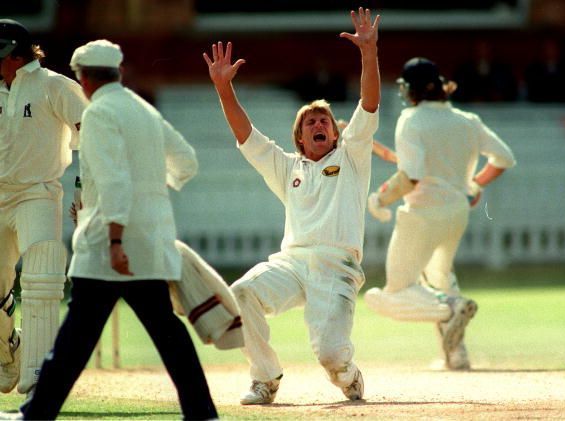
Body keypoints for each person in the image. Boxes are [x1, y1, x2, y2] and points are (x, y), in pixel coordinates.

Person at [17, 39, 218, 420]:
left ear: (85, 78)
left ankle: (36, 414)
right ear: (118, 72)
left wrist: (114, 241)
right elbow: (186, 163)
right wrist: (151, 190)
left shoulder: (98, 113)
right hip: (149, 242)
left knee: (74, 341)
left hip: (107, 247)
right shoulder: (143, 109)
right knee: (168, 335)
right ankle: (202, 412)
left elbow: (113, 183)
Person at [203, 7, 380, 404]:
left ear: (336, 134)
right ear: (299, 138)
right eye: (310, 123)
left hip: (337, 267)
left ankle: (348, 374)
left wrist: (369, 54)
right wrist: (223, 89)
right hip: (292, 263)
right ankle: (265, 377)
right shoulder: (287, 167)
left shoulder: (351, 158)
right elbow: (246, 135)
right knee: (241, 294)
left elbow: (368, 105)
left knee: (331, 355)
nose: (319, 126)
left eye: (325, 122)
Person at [366, 57, 516, 370]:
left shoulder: (411, 119)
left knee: (391, 295)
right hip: (456, 213)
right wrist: (472, 186)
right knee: (439, 275)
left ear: (413, 90)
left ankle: (450, 308)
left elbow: (412, 176)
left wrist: (380, 199)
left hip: (422, 214)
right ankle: (457, 353)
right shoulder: (467, 120)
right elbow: (503, 158)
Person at [0, 19, 88, 397]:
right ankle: (10, 355)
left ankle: (40, 371)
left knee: (41, 275)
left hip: (37, 192)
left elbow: (94, 134)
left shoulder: (53, 86)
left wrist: (88, 189)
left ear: (16, 55)